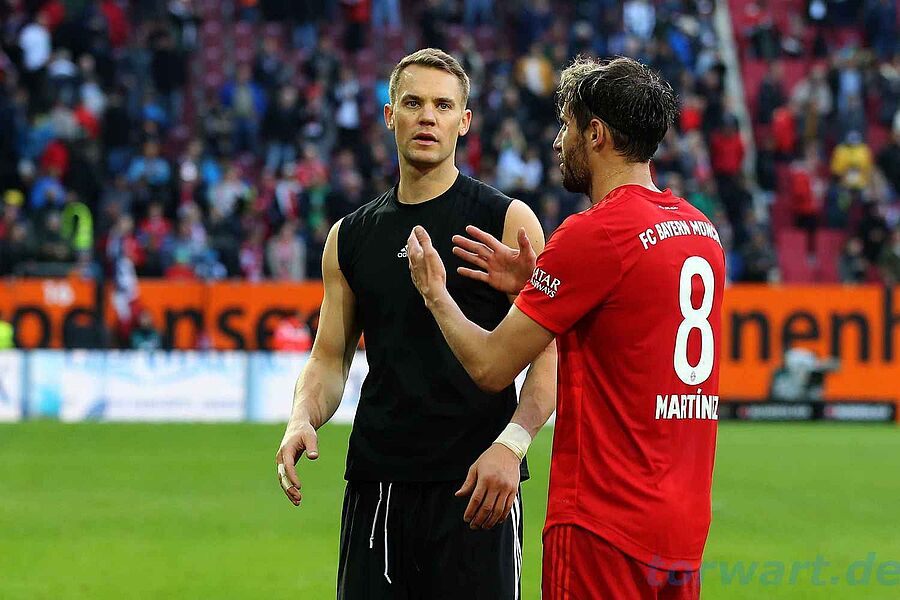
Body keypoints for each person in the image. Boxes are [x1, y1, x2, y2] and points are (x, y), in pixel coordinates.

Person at [407, 56, 726, 599]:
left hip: (603, 525)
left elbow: (490, 367)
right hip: (681, 528)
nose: (559, 142)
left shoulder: (594, 234)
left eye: (567, 127)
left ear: (595, 134)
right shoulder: (701, 232)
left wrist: (435, 293)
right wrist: (538, 285)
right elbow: (628, 325)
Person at [274, 48, 557, 598]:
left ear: (464, 122)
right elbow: (329, 357)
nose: (428, 116)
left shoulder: (507, 221)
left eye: (443, 106)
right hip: (378, 484)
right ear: (389, 116)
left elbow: (547, 357)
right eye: (413, 103)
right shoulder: (350, 236)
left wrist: (513, 445)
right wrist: (301, 417)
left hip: (479, 485)